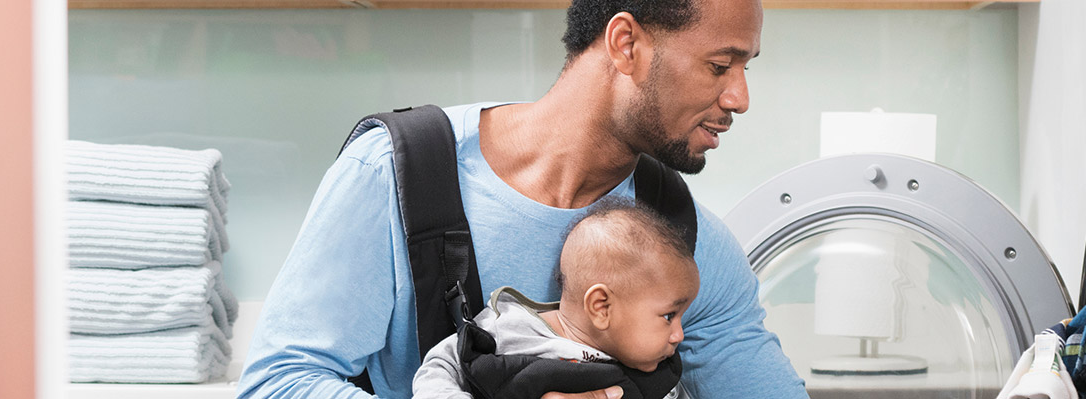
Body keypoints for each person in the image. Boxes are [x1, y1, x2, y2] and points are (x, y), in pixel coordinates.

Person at [236, 0, 808, 395]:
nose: (740, 97)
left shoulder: (682, 238)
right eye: (719, 65)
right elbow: (278, 382)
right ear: (626, 43)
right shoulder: (394, 174)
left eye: (745, 67)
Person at [412, 199, 697, 399]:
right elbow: (441, 365)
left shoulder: (661, 375)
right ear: (601, 307)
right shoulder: (511, 329)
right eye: (669, 316)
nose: (679, 335)